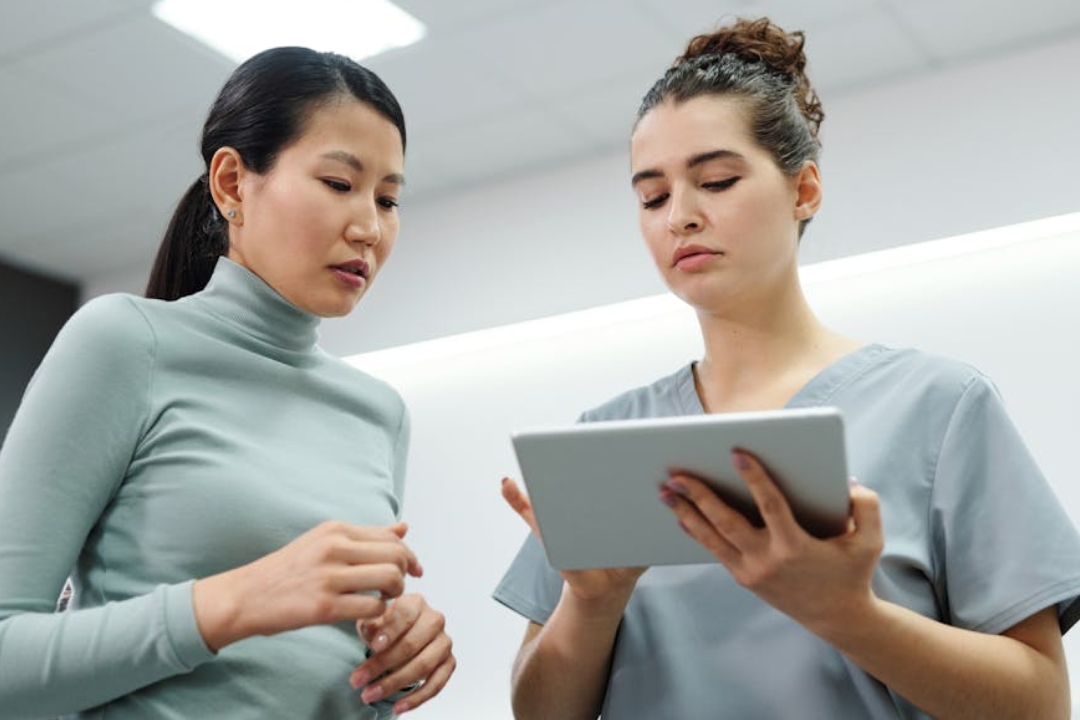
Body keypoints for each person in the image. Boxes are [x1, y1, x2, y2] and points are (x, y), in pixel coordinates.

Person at [494, 17, 1080, 720]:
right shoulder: (605, 438)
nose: (678, 215)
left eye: (715, 180)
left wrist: (847, 614)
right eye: (651, 196)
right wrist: (590, 604)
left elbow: (1041, 704)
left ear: (804, 191)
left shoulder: (939, 408)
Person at [0, 46, 455, 719]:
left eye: (388, 199)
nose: (370, 227)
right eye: (339, 184)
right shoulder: (126, 343)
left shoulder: (380, 413)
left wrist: (400, 658)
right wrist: (235, 601)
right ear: (233, 183)